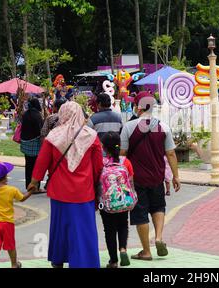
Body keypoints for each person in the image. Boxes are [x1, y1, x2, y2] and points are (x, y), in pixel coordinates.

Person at [28, 101, 104, 268]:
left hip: (59, 191)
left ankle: (58, 259)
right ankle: (82, 262)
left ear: (62, 114)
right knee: (82, 230)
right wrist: (97, 186)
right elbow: (98, 167)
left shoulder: (53, 136)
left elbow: (42, 162)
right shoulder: (91, 136)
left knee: (60, 226)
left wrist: (34, 182)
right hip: (84, 192)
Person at [120, 91, 180, 261]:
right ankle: (159, 237)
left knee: (140, 213)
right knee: (158, 207)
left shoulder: (128, 127)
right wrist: (175, 176)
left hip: (136, 179)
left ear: (137, 107)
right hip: (157, 176)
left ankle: (146, 251)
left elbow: (122, 154)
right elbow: (171, 154)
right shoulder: (164, 127)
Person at [0, 161, 33, 268]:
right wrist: (31, 191)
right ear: (5, 176)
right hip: (7, 223)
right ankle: (14, 264)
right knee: (10, 245)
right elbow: (22, 199)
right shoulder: (12, 190)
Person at [99, 131, 134, 268]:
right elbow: (130, 182)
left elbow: (98, 182)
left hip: (107, 203)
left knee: (109, 230)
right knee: (123, 225)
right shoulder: (126, 162)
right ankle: (123, 249)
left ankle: (113, 261)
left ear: (104, 147)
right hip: (123, 200)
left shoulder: (101, 163)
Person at [20, 98, 44, 192]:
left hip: (25, 144)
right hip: (35, 144)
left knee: (28, 166)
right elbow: (40, 131)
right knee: (36, 167)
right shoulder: (37, 115)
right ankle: (35, 187)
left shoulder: (25, 114)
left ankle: (28, 186)